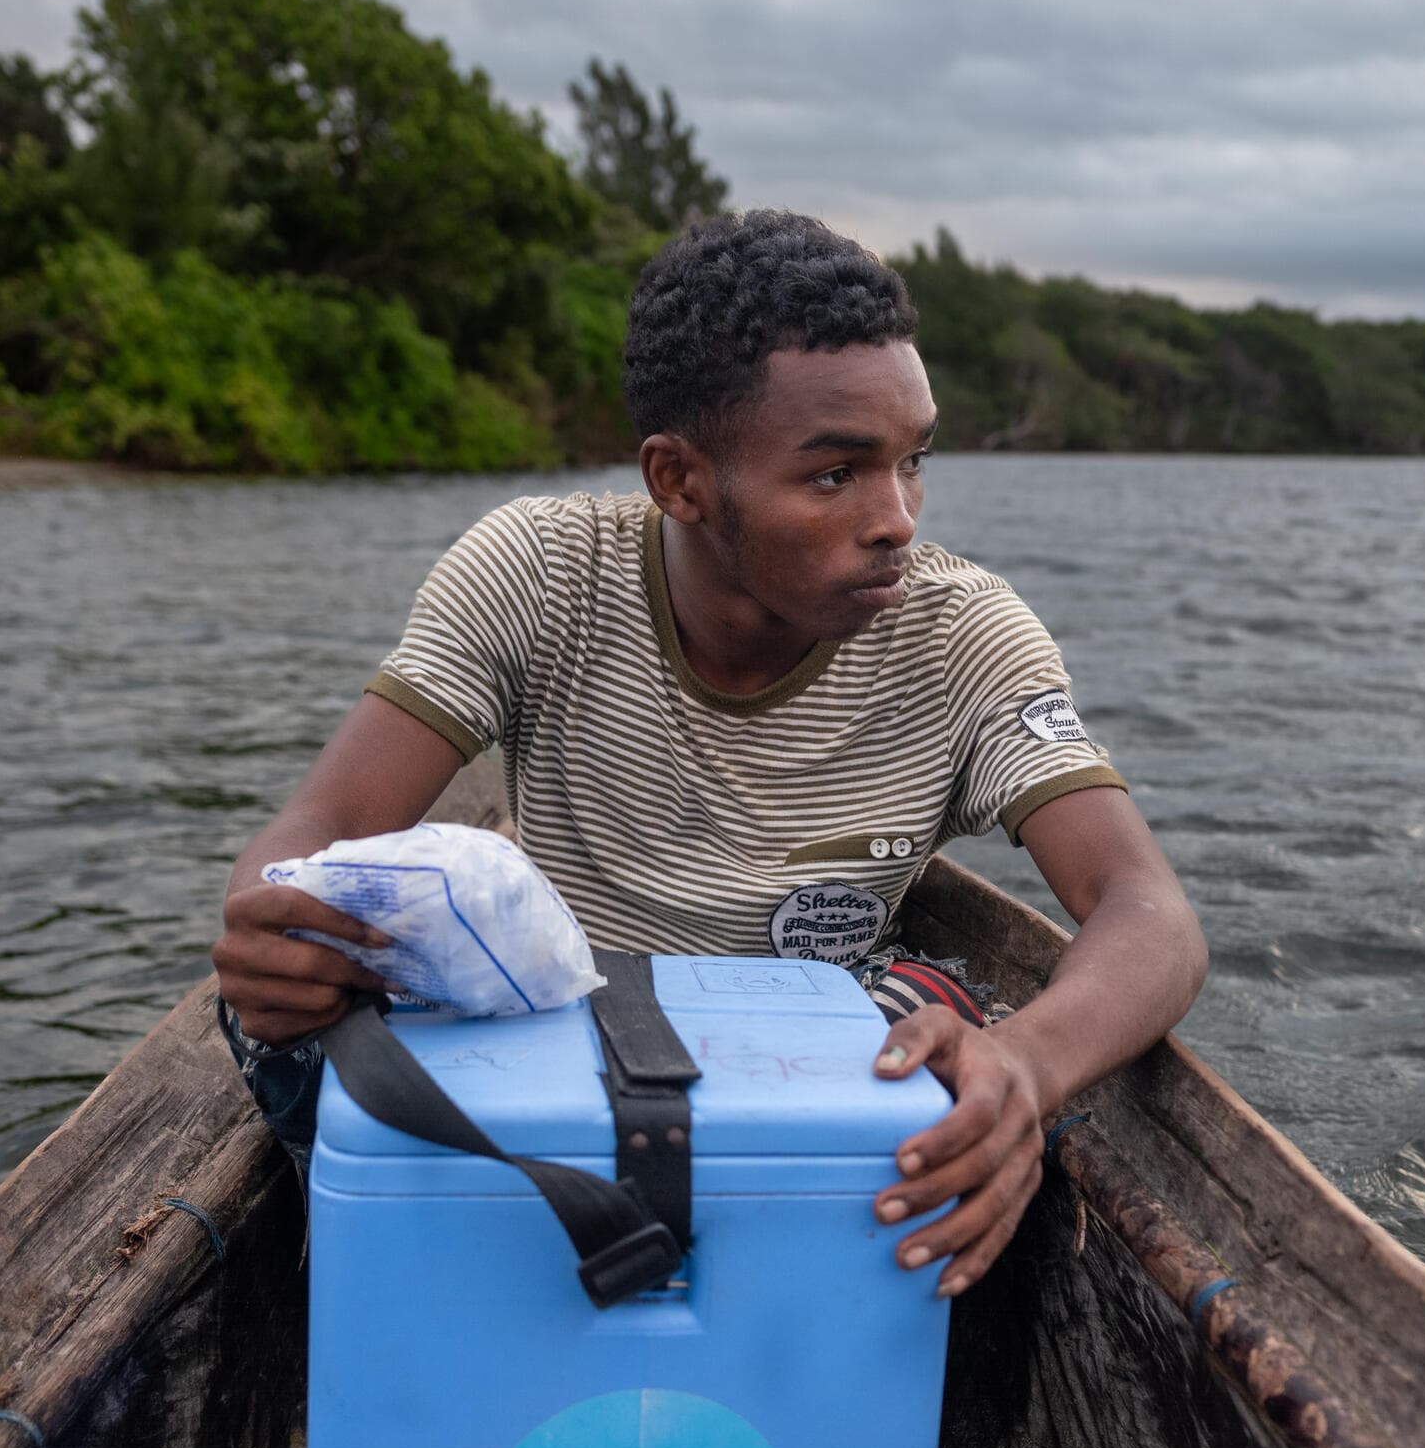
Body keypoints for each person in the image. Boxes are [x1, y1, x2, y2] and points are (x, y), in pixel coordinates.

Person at [211, 211, 1207, 1298]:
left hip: (797, 1070)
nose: (898, 519)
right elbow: (311, 839)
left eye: (914, 460)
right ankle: (419, 1269)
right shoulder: (539, 573)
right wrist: (275, 925)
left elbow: (1146, 911)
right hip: (545, 1046)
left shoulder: (961, 633)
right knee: (282, 1019)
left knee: (951, 1034)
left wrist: (1027, 1061)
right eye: (836, 475)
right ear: (679, 480)